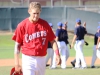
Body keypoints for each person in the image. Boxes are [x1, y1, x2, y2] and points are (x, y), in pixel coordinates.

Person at [12, 2, 61, 75]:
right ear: (29, 11)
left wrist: (57, 54)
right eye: (34, 13)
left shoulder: (45, 24)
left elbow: (52, 41)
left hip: (41, 59)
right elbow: (17, 45)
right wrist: (16, 64)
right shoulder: (22, 25)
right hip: (28, 59)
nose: (36, 16)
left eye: (38, 13)